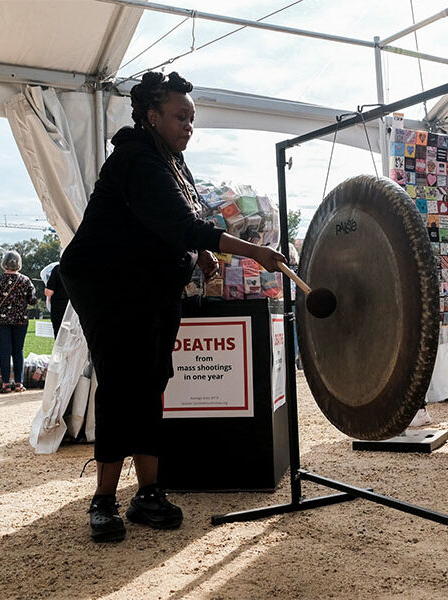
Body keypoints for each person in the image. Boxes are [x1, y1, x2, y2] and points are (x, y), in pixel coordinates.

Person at [59, 71, 286, 543]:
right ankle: (103, 500)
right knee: (122, 384)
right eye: (180, 117)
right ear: (151, 115)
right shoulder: (136, 159)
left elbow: (184, 221)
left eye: (192, 118)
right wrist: (252, 252)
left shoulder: (173, 161)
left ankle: (147, 493)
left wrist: (201, 251)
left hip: (151, 284)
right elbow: (179, 223)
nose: (188, 126)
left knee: (153, 380)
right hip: (107, 284)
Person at [0, 251, 37, 393]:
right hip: (20, 319)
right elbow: (32, 300)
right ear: (19, 264)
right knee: (18, 350)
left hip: (1, 320)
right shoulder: (26, 281)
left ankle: (6, 384)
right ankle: (19, 383)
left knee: (4, 351)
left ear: (4, 263)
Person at [44, 263, 68, 338]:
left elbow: (49, 292)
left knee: (60, 336)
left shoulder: (57, 269)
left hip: (59, 308)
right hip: (76, 307)